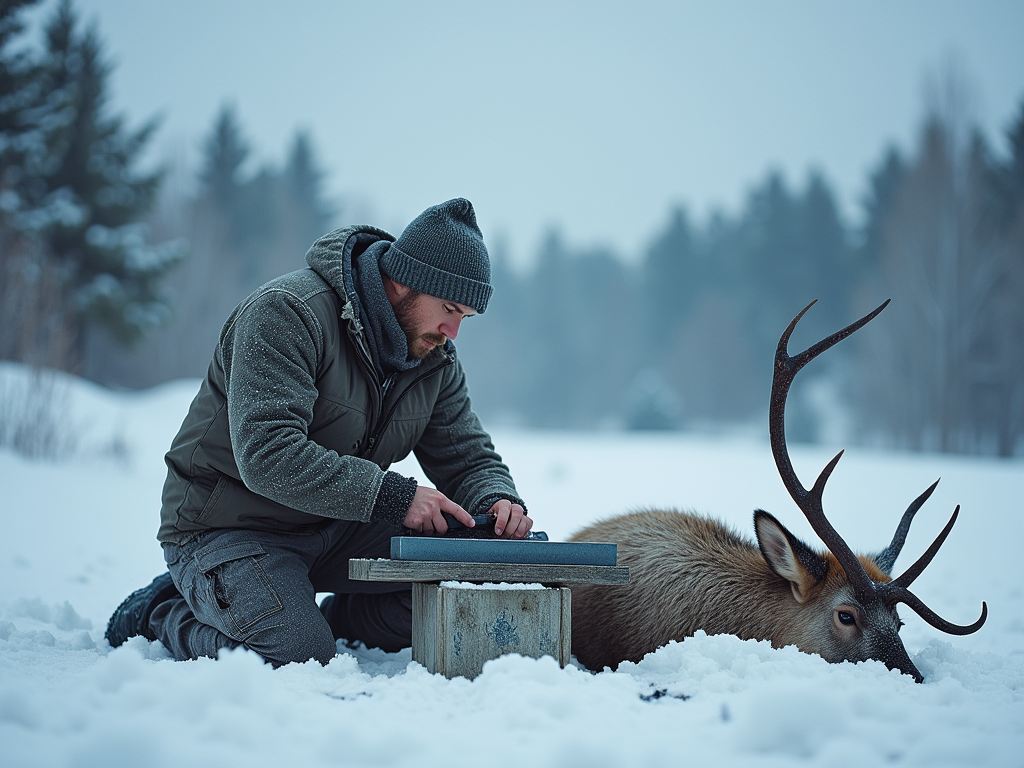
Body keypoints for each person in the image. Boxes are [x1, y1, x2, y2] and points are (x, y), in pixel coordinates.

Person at [105, 198, 532, 666]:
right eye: (448, 308)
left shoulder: (433, 356)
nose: (452, 332)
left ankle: (342, 619)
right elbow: (269, 453)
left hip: (337, 524)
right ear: (403, 281)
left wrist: (496, 500)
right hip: (230, 527)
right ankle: (163, 610)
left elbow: (466, 454)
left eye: (465, 318)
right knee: (295, 656)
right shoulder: (288, 313)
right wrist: (396, 497)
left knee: (486, 567)